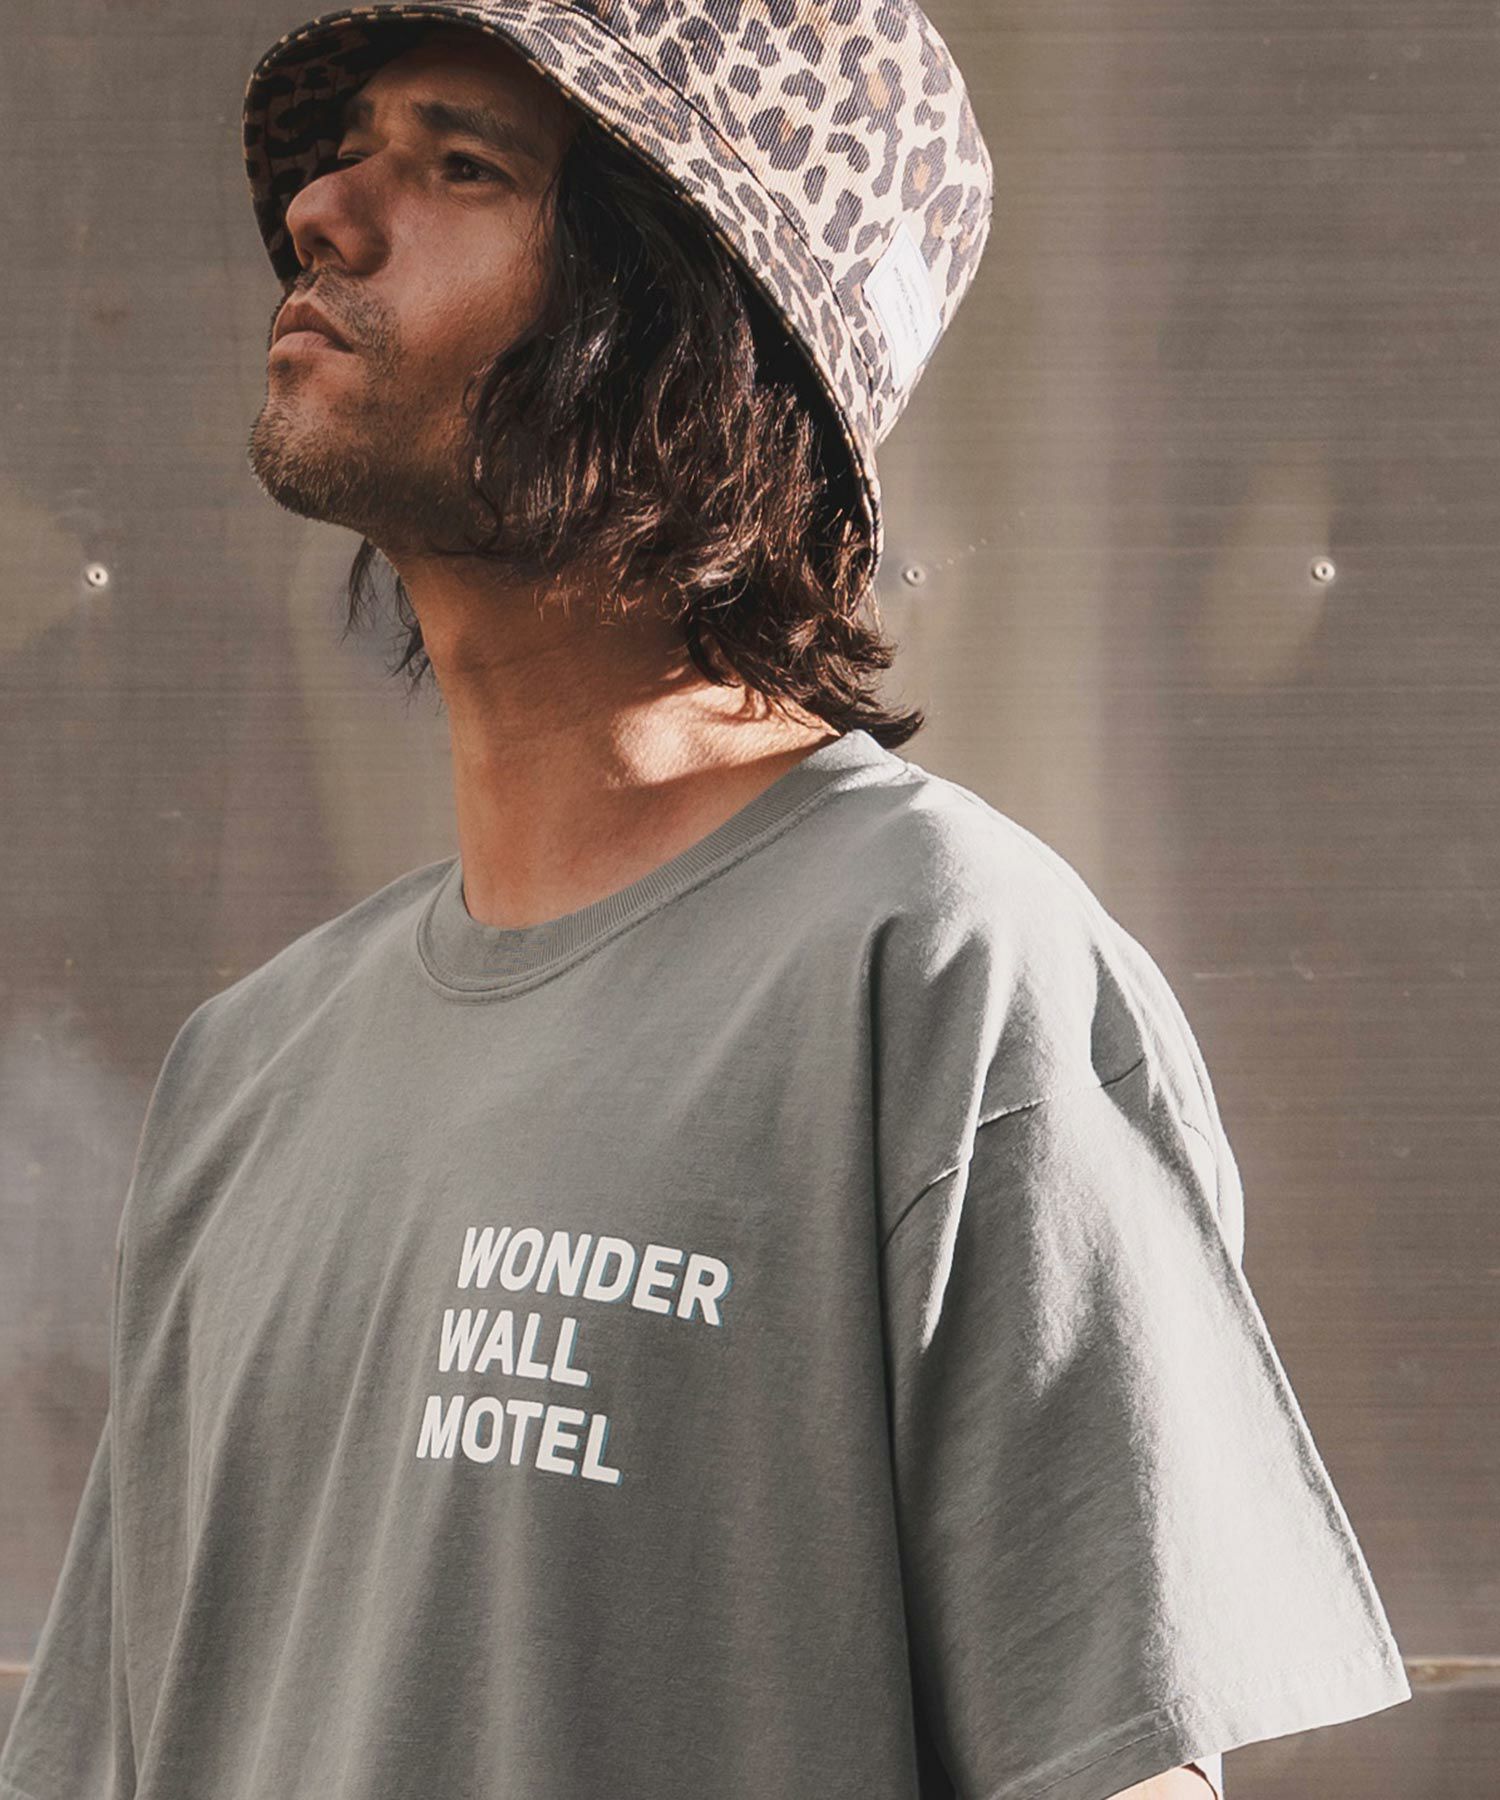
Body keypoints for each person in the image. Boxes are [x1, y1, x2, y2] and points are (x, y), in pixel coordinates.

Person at [0, 6, 1410, 1799]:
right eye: (342, 157)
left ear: (687, 331)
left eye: (459, 166)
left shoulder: (944, 969)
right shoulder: (243, 1075)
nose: (322, 214)